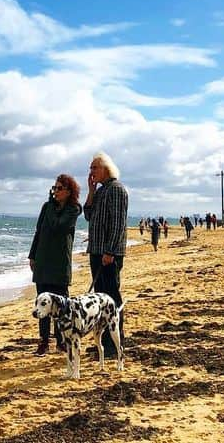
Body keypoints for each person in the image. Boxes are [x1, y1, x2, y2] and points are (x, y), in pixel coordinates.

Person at [28, 173, 82, 355]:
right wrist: (32, 255)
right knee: (42, 302)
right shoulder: (46, 207)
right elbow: (39, 231)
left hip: (59, 262)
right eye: (54, 188)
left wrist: (52, 206)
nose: (55, 191)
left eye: (60, 188)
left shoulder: (73, 209)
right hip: (42, 259)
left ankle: (61, 340)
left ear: (69, 191)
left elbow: (59, 226)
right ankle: (43, 341)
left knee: (61, 304)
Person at [84, 151, 128, 357]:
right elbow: (88, 215)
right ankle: (104, 344)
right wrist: (91, 191)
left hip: (108, 253)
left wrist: (110, 250)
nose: (91, 171)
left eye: (94, 167)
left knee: (111, 298)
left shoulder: (117, 189)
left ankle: (115, 344)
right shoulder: (101, 191)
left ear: (106, 168)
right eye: (91, 167)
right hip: (96, 250)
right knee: (100, 299)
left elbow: (118, 224)